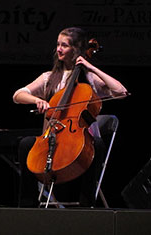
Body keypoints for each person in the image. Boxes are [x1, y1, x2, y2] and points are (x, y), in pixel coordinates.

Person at [13, 27, 128, 207]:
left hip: (80, 140)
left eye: (64, 45)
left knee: (97, 145)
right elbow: (18, 95)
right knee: (26, 143)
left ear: (76, 49)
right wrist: (37, 100)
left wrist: (90, 67)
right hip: (52, 137)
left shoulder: (89, 79)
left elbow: (120, 91)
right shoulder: (49, 78)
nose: (58, 49)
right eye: (58, 44)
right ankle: (26, 204)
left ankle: (86, 204)